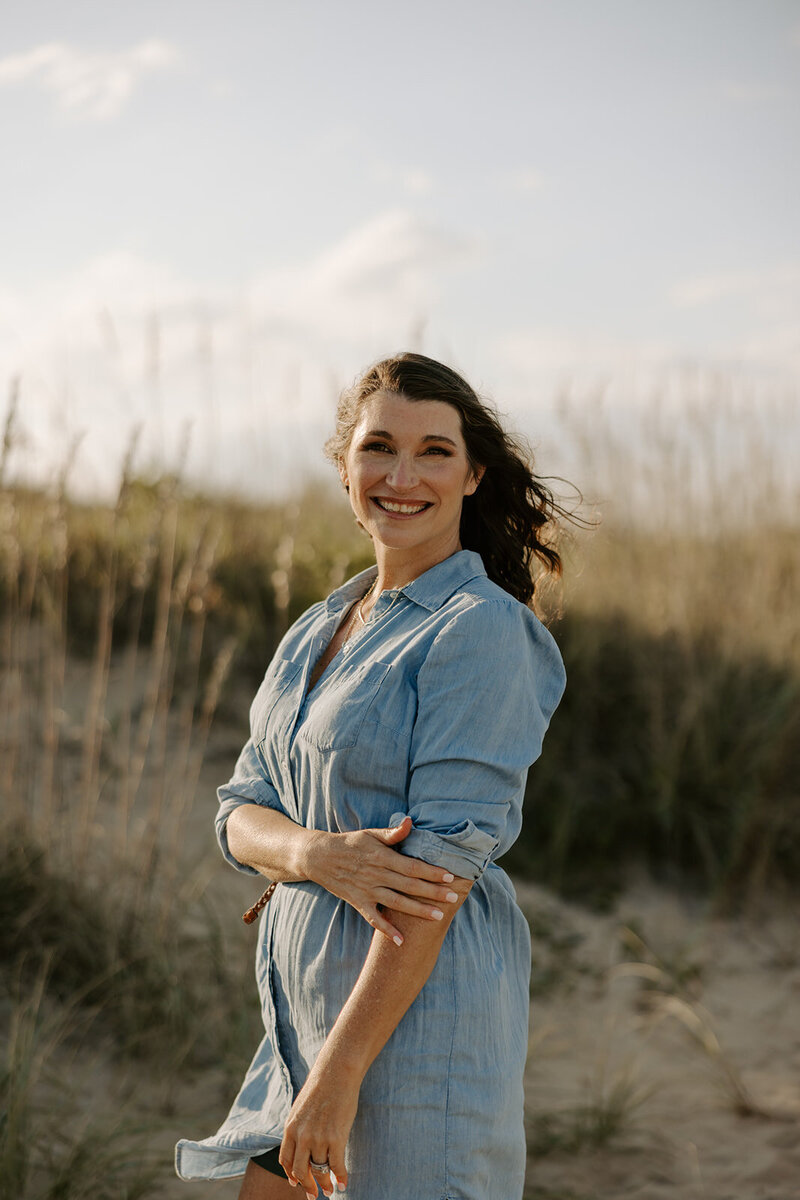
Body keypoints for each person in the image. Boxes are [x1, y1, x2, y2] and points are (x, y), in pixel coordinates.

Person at [175, 352, 568, 1200]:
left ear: (473, 475)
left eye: (434, 452)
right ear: (345, 465)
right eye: (379, 447)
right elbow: (239, 811)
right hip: (299, 1034)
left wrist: (340, 1073)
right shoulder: (318, 627)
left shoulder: (480, 629)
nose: (402, 476)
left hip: (413, 1041)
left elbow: (433, 882)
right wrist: (316, 854)